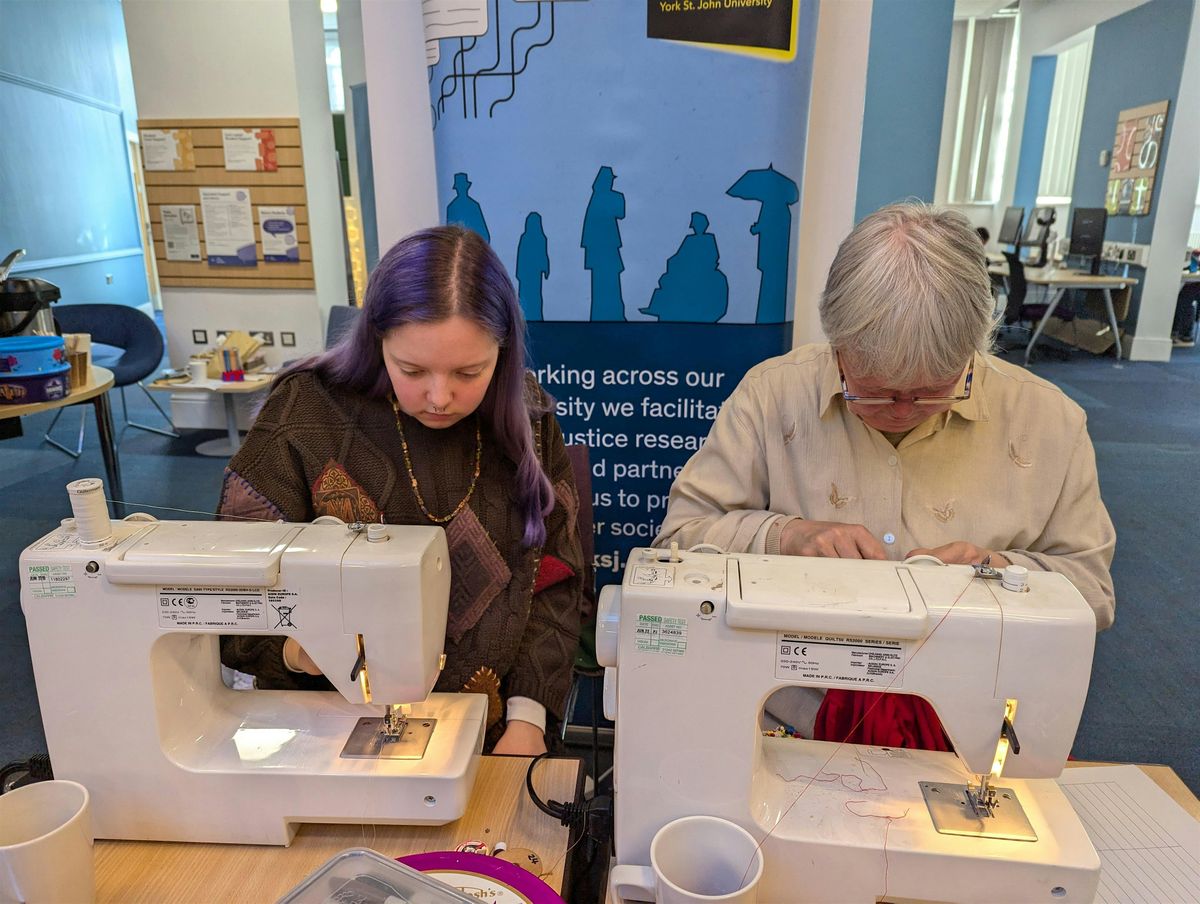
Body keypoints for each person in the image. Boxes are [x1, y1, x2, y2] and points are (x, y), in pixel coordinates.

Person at [654, 202, 1115, 748]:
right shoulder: (773, 396)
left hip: (973, 723)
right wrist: (785, 536)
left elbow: (1091, 592)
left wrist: (998, 571)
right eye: (873, 391)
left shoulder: (1048, 422)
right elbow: (677, 543)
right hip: (792, 715)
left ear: (974, 348)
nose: (900, 409)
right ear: (838, 344)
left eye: (930, 392)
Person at [218, 226, 583, 756]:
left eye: (469, 371)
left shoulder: (526, 419)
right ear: (377, 340)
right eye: (412, 370)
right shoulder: (304, 417)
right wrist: (299, 651)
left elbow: (555, 577)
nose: (439, 397)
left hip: (492, 727)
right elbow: (228, 597)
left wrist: (528, 717)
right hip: (326, 720)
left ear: (502, 352)